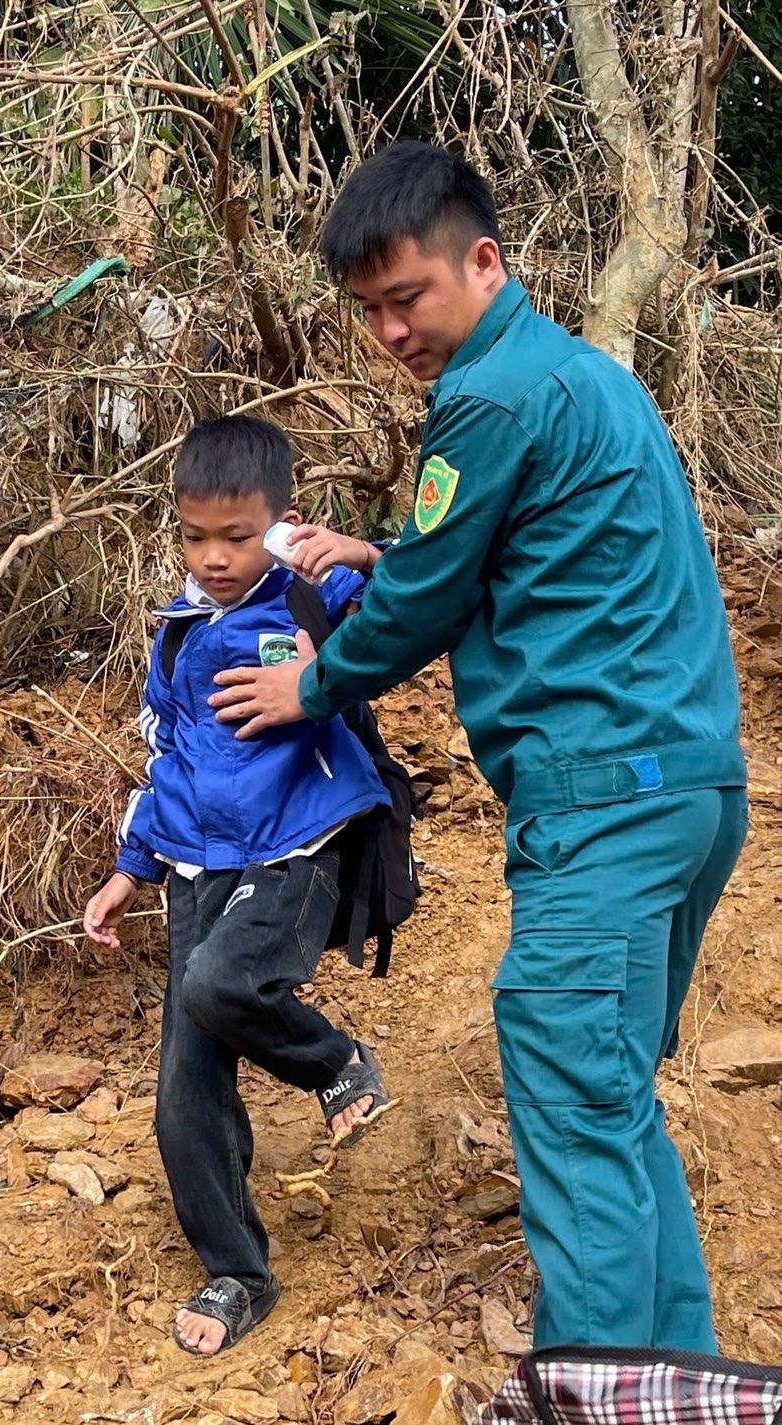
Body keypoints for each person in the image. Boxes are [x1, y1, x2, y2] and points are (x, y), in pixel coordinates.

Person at [208, 142, 748, 1352]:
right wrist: (379, 558)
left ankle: (594, 1382)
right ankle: (672, 1378)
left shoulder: (488, 397)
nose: (391, 331)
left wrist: (313, 682)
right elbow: (524, 566)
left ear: (482, 263)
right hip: (685, 788)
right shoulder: (581, 377)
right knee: (607, 1106)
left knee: (566, 1096)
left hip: (602, 796)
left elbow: (423, 610)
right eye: (368, 312)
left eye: (408, 299)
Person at [82, 415, 393, 1357]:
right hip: (195, 867)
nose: (214, 557)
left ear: (281, 523)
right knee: (183, 1088)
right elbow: (167, 760)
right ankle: (237, 1272)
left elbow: (421, 591)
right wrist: (128, 869)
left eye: (238, 534)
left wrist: (361, 552)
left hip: (297, 846)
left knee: (222, 985)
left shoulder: (311, 597)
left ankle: (333, 1060)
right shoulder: (175, 637)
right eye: (193, 535)